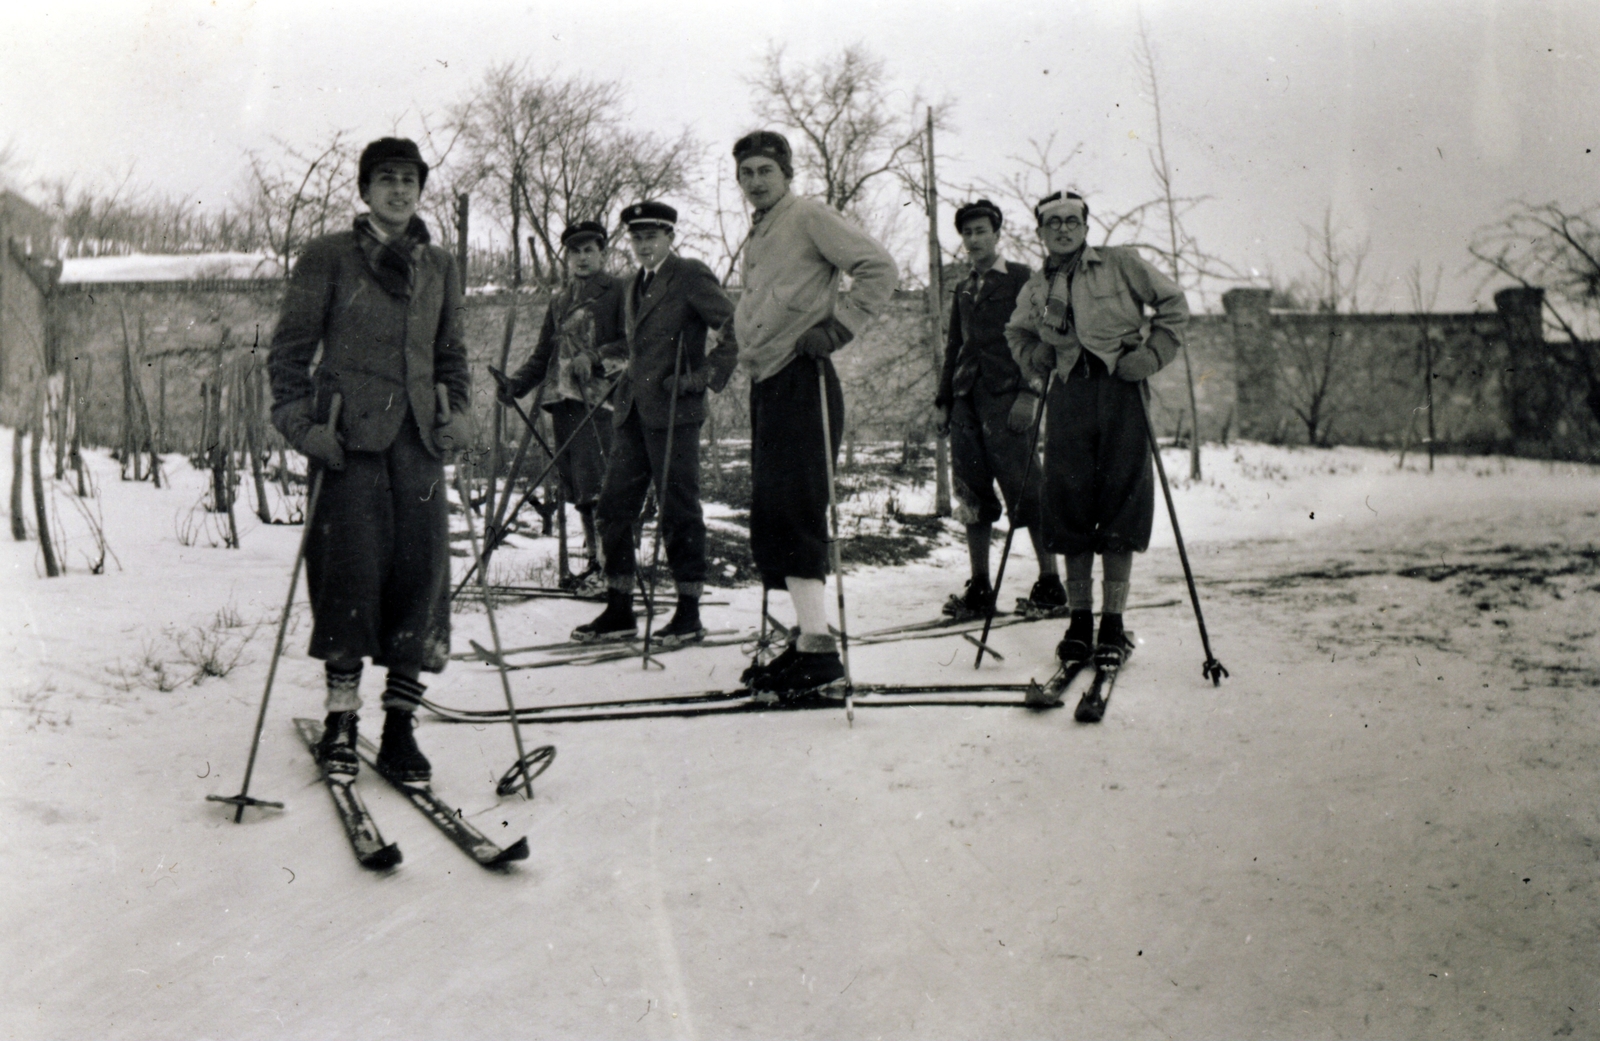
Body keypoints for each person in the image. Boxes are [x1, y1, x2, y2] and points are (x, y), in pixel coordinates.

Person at [267, 137, 471, 782]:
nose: (399, 190)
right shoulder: (328, 256)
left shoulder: (439, 263)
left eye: (410, 179)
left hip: (418, 444)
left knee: (422, 578)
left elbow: (451, 355)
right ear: (364, 189)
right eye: (386, 179)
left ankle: (402, 728)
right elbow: (289, 354)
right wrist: (301, 426)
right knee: (347, 577)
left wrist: (458, 412)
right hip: (346, 441)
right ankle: (341, 719)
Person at [729, 130, 898, 695]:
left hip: (804, 381)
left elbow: (879, 268)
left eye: (765, 172)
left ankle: (821, 656)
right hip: (769, 382)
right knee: (774, 514)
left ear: (787, 174)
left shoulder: (808, 216)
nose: (756, 181)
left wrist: (839, 327)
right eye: (747, 172)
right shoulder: (761, 230)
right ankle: (807, 641)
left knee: (798, 509)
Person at [1004, 190, 1188, 685]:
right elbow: (1016, 333)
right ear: (1040, 232)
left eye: (1072, 221)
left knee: (1122, 502)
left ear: (1086, 226)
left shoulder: (1120, 264)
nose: (1063, 229)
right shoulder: (1038, 285)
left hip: (1121, 390)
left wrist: (1151, 356)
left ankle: (1113, 623)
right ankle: (1080, 622)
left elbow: (1173, 305)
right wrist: (1034, 358)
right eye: (1052, 223)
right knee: (1068, 502)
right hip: (1067, 396)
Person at [570, 201, 738, 646]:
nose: (644, 244)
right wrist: (596, 357)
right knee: (613, 509)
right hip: (631, 412)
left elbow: (736, 326)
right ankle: (620, 610)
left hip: (674, 414)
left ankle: (688, 614)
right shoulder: (633, 284)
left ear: (670, 237)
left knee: (679, 511)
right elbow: (632, 343)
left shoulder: (690, 275)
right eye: (637, 237)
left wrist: (701, 378)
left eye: (652, 236)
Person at [934, 198, 1064, 621]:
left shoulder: (1024, 279)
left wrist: (1031, 393)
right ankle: (981, 587)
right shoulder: (964, 287)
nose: (973, 240)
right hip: (966, 403)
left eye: (980, 232)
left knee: (1028, 489)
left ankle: (1050, 583)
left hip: (1009, 400)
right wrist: (943, 401)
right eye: (967, 233)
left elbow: (1044, 339)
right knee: (972, 494)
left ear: (996, 233)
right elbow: (955, 347)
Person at [496, 220, 625, 596]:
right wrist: (515, 385)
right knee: (580, 488)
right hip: (564, 402)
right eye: (574, 251)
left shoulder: (618, 291)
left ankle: (611, 570)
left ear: (602, 252)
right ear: (566, 257)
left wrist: (595, 357)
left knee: (599, 485)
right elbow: (543, 356)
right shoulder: (560, 300)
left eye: (589, 250)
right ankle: (595, 564)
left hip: (600, 402)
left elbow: (633, 342)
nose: (582, 258)